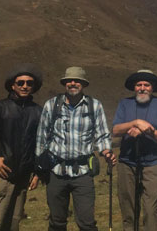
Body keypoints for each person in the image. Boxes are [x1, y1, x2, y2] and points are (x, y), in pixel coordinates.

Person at [35, 66, 117, 231]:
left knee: (87, 223)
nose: (73, 83)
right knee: (57, 223)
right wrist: (38, 167)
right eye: (69, 81)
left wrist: (106, 151)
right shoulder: (51, 105)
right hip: (56, 172)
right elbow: (41, 137)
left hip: (83, 173)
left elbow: (102, 134)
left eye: (77, 81)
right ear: (64, 83)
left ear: (83, 84)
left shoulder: (94, 106)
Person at [0, 63, 44, 231]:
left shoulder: (38, 112)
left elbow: (40, 144)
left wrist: (37, 172)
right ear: (13, 85)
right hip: (1, 176)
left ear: (34, 87)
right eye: (20, 82)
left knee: (12, 224)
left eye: (29, 83)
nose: (25, 86)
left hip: (23, 178)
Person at [112, 69, 157, 231]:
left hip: (153, 164)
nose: (142, 88)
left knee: (150, 210)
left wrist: (149, 130)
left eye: (146, 85)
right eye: (138, 84)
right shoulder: (125, 104)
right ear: (134, 87)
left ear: (152, 87)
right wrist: (136, 123)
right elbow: (116, 130)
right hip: (127, 163)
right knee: (128, 209)